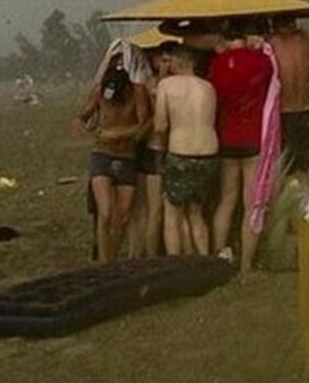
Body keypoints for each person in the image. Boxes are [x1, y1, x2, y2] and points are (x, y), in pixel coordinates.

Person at [209, 19, 274, 273]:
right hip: (253, 138)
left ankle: (219, 258)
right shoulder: (260, 61)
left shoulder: (217, 64)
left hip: (227, 138)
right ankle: (246, 264)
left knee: (226, 200)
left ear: (224, 39)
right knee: (251, 204)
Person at [74, 52, 149, 263]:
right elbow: (86, 113)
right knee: (105, 213)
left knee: (123, 217)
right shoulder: (100, 91)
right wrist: (81, 121)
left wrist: (120, 134)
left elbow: (145, 125)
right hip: (102, 155)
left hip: (126, 157)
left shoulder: (137, 92)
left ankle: (113, 257)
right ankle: (106, 264)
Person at [154, 45, 219, 256]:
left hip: (181, 152)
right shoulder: (208, 87)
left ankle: (176, 264)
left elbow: (160, 125)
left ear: (178, 62)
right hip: (209, 153)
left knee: (172, 213)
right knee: (196, 213)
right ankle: (204, 260)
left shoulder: (166, 85)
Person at [130, 41, 178, 258]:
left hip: (166, 149)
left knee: (158, 210)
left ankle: (148, 252)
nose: (165, 63)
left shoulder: (174, 84)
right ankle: (149, 256)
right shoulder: (153, 84)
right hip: (155, 150)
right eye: (162, 59)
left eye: (168, 59)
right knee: (154, 210)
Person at [268, 16, 309, 176]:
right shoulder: (303, 39)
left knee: (283, 168)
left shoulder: (271, 43)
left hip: (284, 113)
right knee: (302, 168)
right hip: (306, 110)